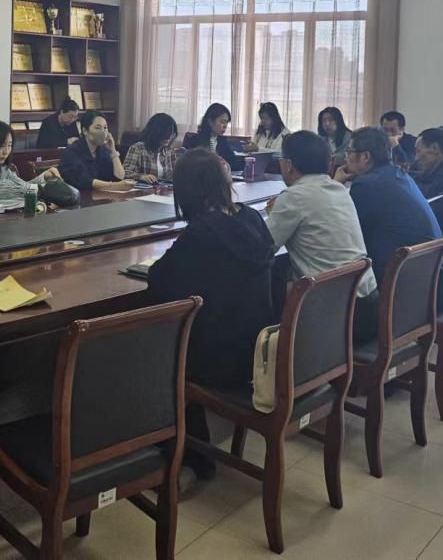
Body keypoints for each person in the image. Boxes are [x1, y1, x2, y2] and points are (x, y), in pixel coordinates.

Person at [147, 148, 276, 479]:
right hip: (258, 351)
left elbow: (160, 281)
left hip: (221, 360)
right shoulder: (251, 218)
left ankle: (190, 454)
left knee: (160, 350)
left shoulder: (201, 234)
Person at [264, 131, 378, 343]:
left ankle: (277, 354)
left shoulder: (294, 196)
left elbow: (262, 249)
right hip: (367, 304)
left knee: (269, 286)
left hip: (337, 317)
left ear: (288, 165)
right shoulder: (339, 189)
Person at [334, 126, 443, 286]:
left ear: (365, 156)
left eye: (349, 152)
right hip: (430, 277)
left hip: (401, 282)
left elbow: (345, 232)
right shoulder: (399, 174)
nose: (346, 158)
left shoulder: (366, 185)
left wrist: (335, 185)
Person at [57, 110, 133, 193]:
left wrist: (113, 151)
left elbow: (120, 177)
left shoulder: (103, 150)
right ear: (85, 131)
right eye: (98, 128)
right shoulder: (72, 151)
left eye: (105, 128)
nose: (103, 132)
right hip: (79, 197)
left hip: (100, 196)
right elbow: (84, 180)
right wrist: (115, 186)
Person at [183, 102, 243, 171]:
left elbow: (234, 163)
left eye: (227, 123)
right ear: (210, 121)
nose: (225, 126)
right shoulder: (195, 140)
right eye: (222, 122)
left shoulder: (222, 141)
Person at [123, 112, 179, 183]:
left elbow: (175, 176)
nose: (168, 138)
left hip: (164, 189)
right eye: (166, 134)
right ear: (155, 133)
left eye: (171, 134)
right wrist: (141, 177)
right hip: (143, 188)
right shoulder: (138, 148)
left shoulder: (170, 152)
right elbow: (126, 172)